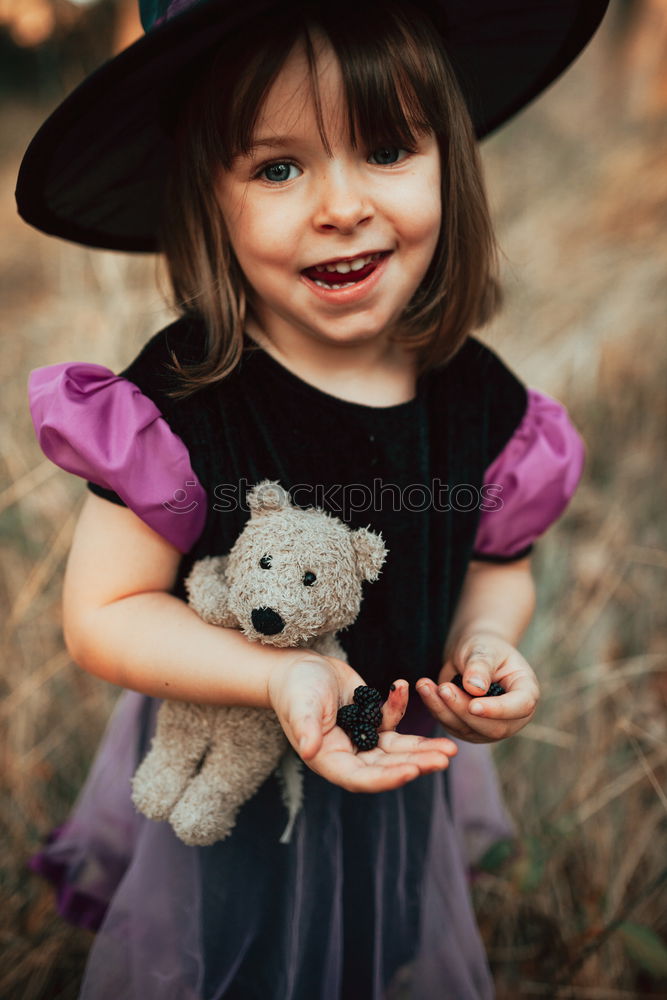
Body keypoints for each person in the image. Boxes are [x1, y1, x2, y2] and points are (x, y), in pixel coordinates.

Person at [18, 0, 607, 997]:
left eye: (385, 147)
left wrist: (483, 642)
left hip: (392, 776)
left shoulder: (482, 402)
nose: (340, 206)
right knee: (234, 966)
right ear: (206, 197)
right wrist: (274, 679)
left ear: (449, 162)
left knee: (374, 955)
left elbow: (499, 567)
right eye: (277, 167)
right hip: (236, 785)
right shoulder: (183, 403)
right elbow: (103, 613)